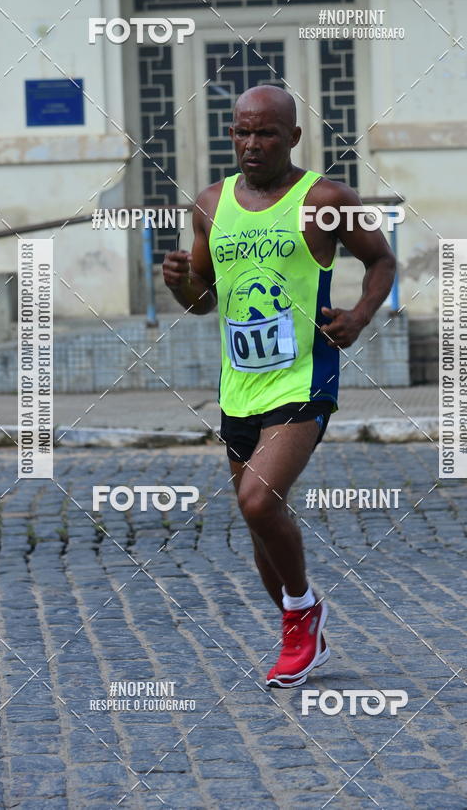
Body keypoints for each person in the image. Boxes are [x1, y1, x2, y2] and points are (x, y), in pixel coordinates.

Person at [163, 84, 396, 688]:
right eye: (241, 131)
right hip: (239, 387)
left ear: (293, 137)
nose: (250, 144)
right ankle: (301, 625)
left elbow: (382, 259)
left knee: (258, 501)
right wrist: (178, 285)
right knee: (260, 520)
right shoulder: (211, 205)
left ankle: (301, 614)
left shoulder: (324, 199)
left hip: (304, 378)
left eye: (265, 132)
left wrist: (360, 316)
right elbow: (202, 302)